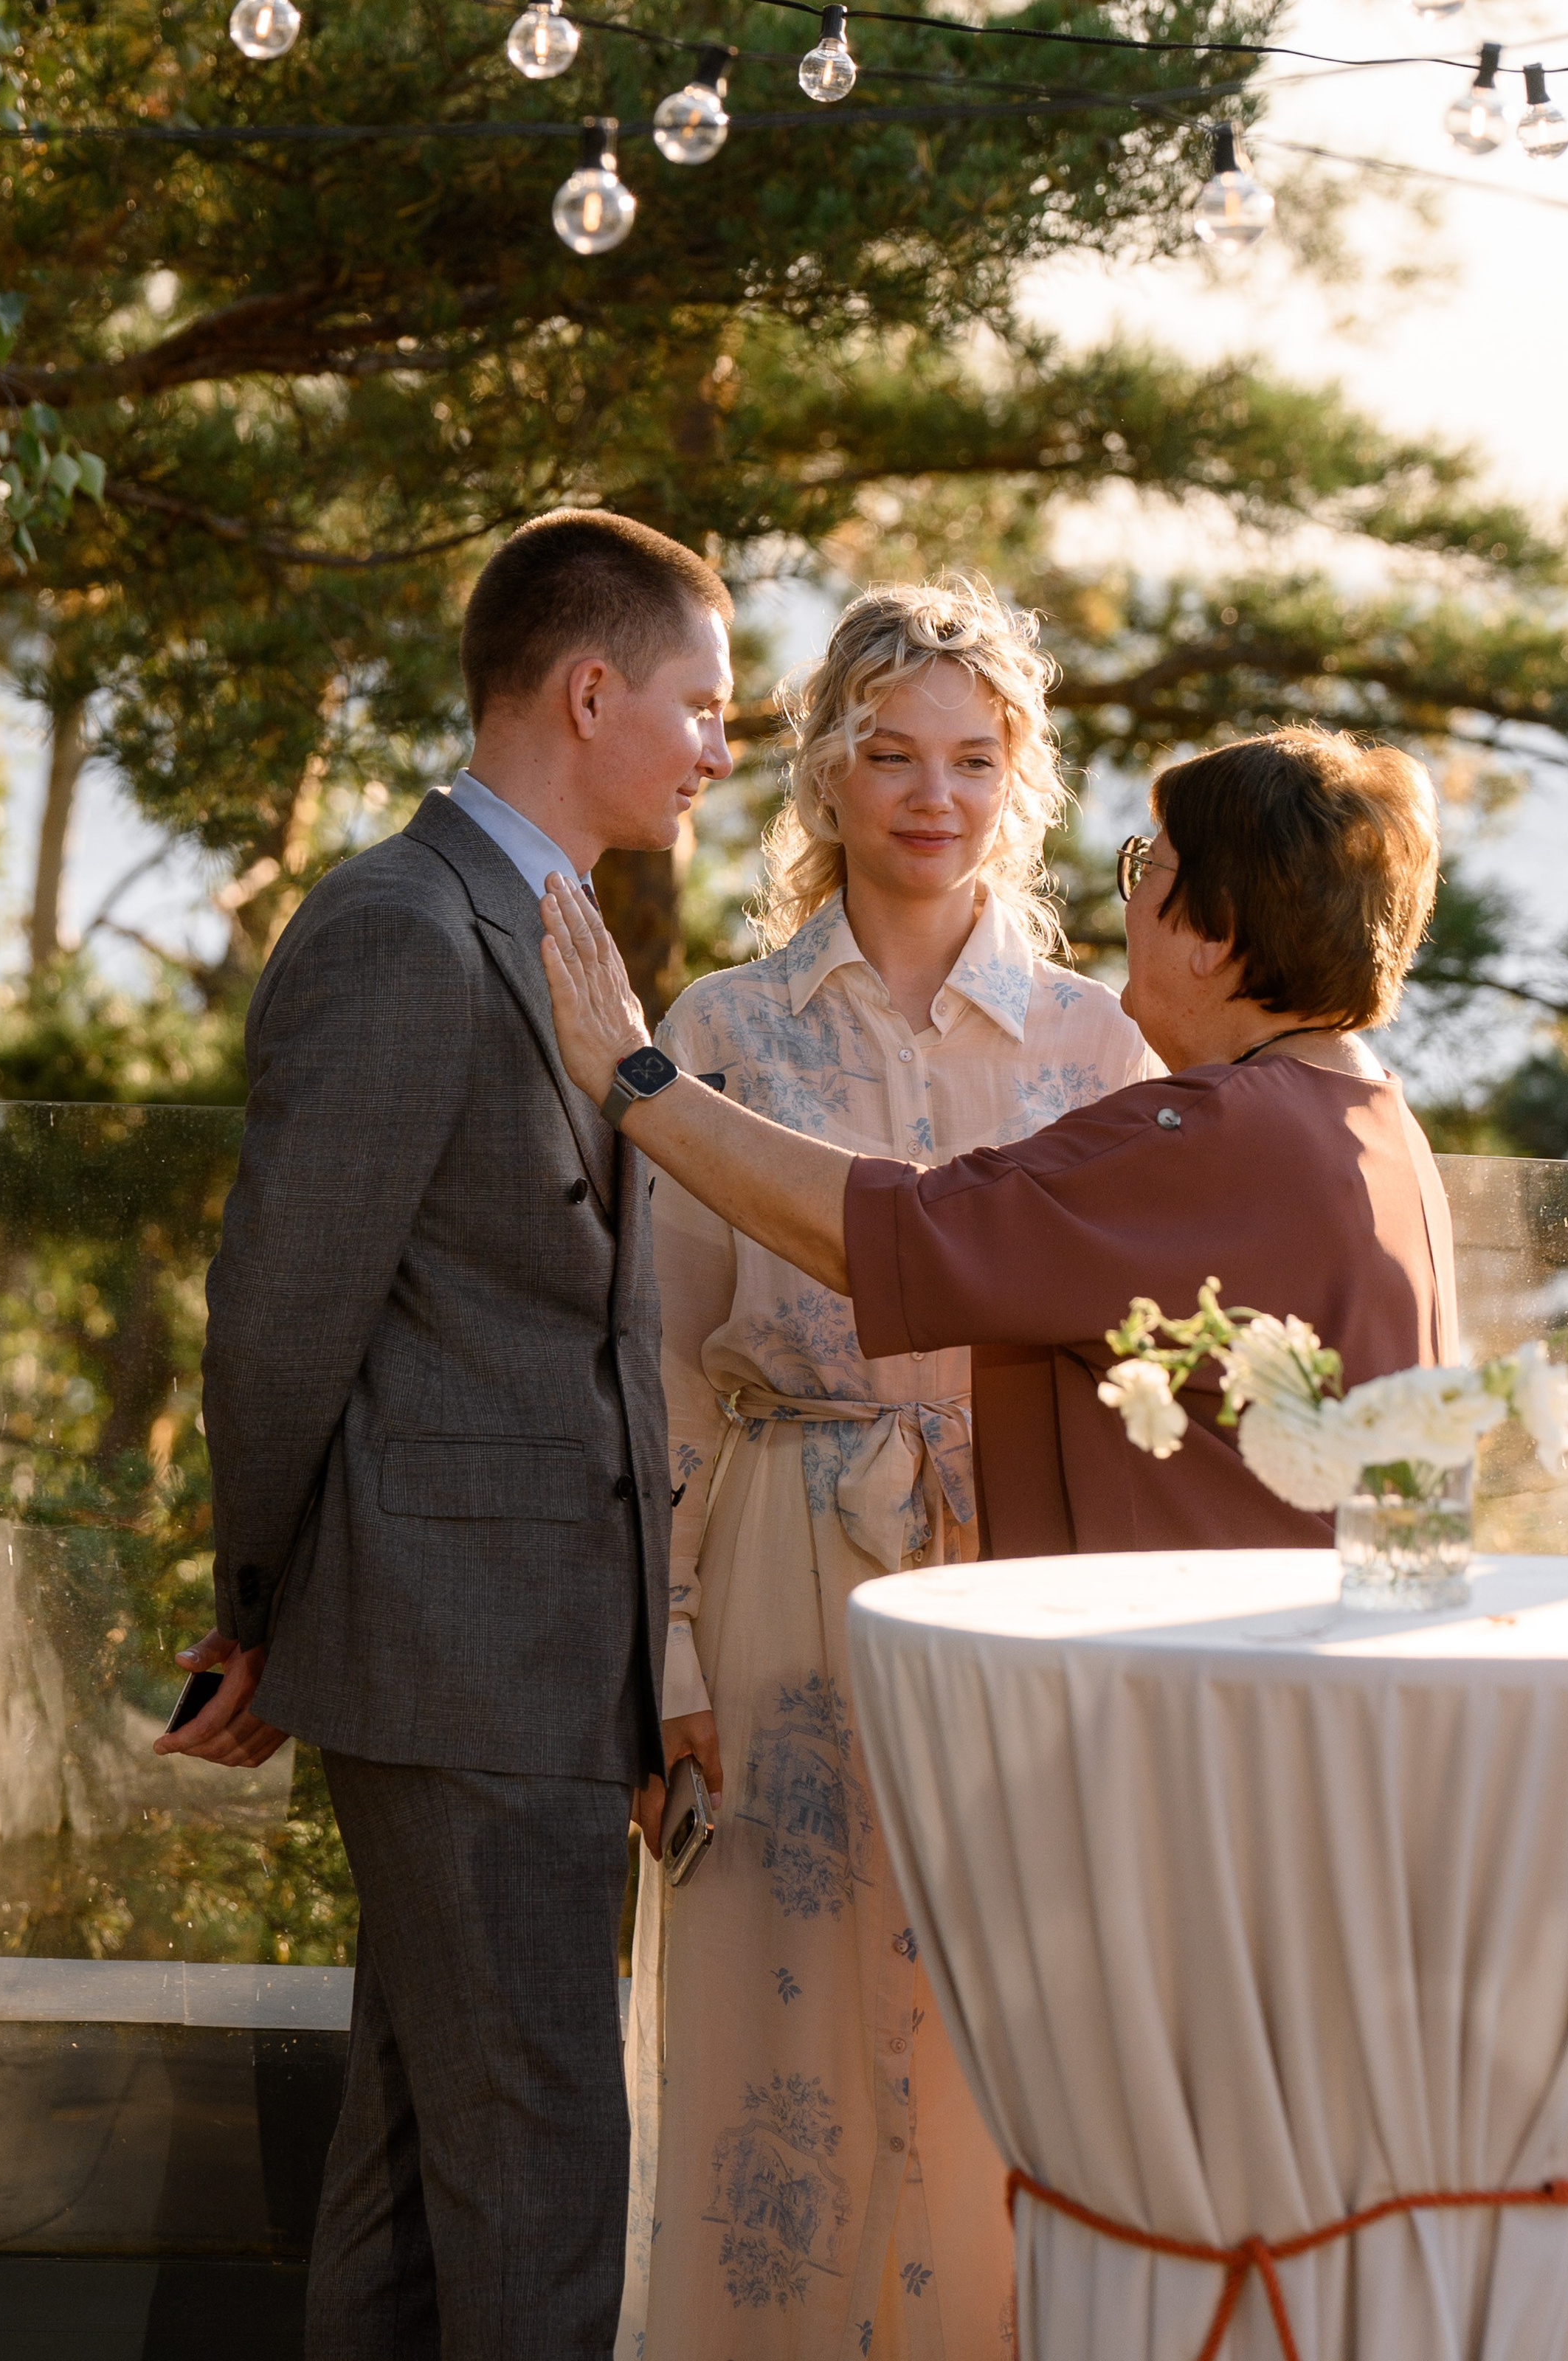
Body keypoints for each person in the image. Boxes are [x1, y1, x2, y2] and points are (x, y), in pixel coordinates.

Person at [159, 508, 735, 2361]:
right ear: (589, 691)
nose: (719, 748)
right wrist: (262, 1602)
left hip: (524, 1664)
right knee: (546, 2168)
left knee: (417, 2176)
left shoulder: (554, 929)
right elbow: (279, 1313)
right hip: (456, 1656)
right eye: (701, 705)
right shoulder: (401, 927)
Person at [621, 578, 1153, 2361]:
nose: (934, 795)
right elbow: (657, 1370)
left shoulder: (1095, 1047)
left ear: (1024, 781)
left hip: (1018, 1586)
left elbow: (1148, 1368)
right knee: (770, 2039)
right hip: (777, 1554)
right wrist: (671, 1657)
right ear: (823, 775)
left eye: (974, 759)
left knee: (998, 2033)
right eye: (891, 755)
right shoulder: (718, 1028)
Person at [536, 725, 1458, 1558]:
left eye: (1149, 869)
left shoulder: (1212, 1140)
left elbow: (896, 1235)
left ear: (1213, 933)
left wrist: (636, 1076)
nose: (1130, 901)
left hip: (1187, 1681)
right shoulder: (1378, 1124)